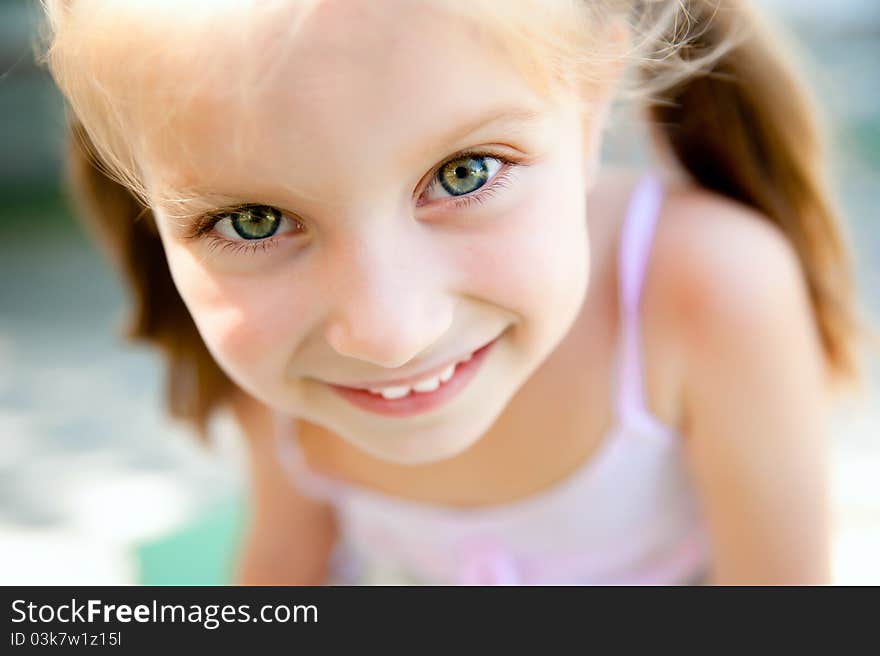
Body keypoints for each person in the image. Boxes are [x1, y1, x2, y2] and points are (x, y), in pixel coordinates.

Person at [39, 0, 863, 585]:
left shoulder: (706, 290)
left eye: (465, 173)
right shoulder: (278, 361)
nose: (388, 334)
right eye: (255, 222)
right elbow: (284, 575)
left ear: (589, 106)